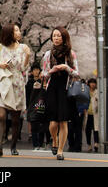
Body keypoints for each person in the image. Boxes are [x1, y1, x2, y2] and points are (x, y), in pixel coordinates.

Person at [0, 23, 31, 156]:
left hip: (17, 86)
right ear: (9, 33)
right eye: (16, 30)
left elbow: (24, 69)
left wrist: (27, 56)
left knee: (15, 119)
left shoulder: (23, 48)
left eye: (19, 30)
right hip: (2, 84)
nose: (19, 32)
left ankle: (13, 145)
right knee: (1, 116)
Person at [42, 26, 79, 161]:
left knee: (63, 121)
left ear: (64, 37)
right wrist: (52, 70)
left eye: (59, 36)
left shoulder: (71, 54)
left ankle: (60, 150)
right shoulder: (48, 54)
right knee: (53, 123)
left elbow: (77, 73)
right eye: (54, 36)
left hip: (65, 90)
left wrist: (66, 67)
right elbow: (44, 74)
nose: (56, 38)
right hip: (52, 89)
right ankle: (54, 140)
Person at [84, 78, 99, 152]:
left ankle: (96, 144)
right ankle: (89, 145)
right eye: (91, 83)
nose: (93, 84)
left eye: (94, 83)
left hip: (95, 113)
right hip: (87, 114)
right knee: (88, 130)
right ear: (88, 84)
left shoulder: (98, 92)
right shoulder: (86, 92)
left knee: (96, 129)